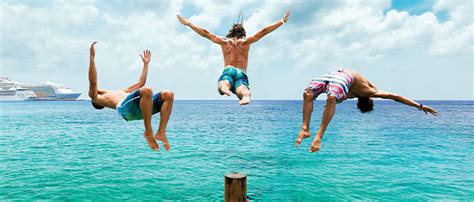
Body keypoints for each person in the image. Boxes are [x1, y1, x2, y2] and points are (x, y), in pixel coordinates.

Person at [295, 69, 439, 152]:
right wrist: (419, 106)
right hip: (341, 77)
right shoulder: (370, 91)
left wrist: (420, 107)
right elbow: (395, 96)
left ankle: (312, 132)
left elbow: (395, 96)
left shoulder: (353, 93)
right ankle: (307, 130)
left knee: (309, 94)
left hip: (333, 75)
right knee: (330, 98)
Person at [176, 9, 291, 105]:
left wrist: (189, 24)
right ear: (243, 33)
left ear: (231, 33)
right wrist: (281, 21)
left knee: (224, 82)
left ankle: (225, 87)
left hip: (228, 70)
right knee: (243, 89)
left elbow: (206, 33)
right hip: (241, 73)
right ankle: (245, 96)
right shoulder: (246, 42)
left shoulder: (224, 41)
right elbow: (263, 31)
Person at [88, 42, 174, 151]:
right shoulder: (95, 97)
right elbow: (93, 82)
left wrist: (146, 65)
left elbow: (140, 83)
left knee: (168, 94)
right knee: (147, 91)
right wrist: (92, 58)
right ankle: (148, 131)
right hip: (126, 111)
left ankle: (161, 132)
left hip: (143, 109)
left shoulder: (123, 91)